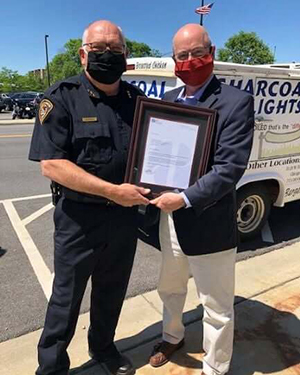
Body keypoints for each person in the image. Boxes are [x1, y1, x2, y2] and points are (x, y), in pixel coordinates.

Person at [29, 20, 150, 375]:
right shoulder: (60, 98)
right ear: (83, 55)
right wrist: (115, 192)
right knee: (66, 299)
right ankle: (51, 366)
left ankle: (103, 348)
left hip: (124, 220)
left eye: (115, 49)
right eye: (99, 50)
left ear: (126, 57)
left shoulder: (137, 101)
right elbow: (52, 165)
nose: (107, 55)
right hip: (78, 220)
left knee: (112, 291)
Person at [144, 24, 254, 375]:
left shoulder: (236, 102)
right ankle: (172, 336)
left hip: (209, 221)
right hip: (170, 222)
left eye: (197, 53)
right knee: (170, 288)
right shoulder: (167, 102)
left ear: (212, 52)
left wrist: (186, 198)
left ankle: (215, 367)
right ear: (173, 59)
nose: (190, 61)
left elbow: (229, 168)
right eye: (182, 55)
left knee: (217, 305)